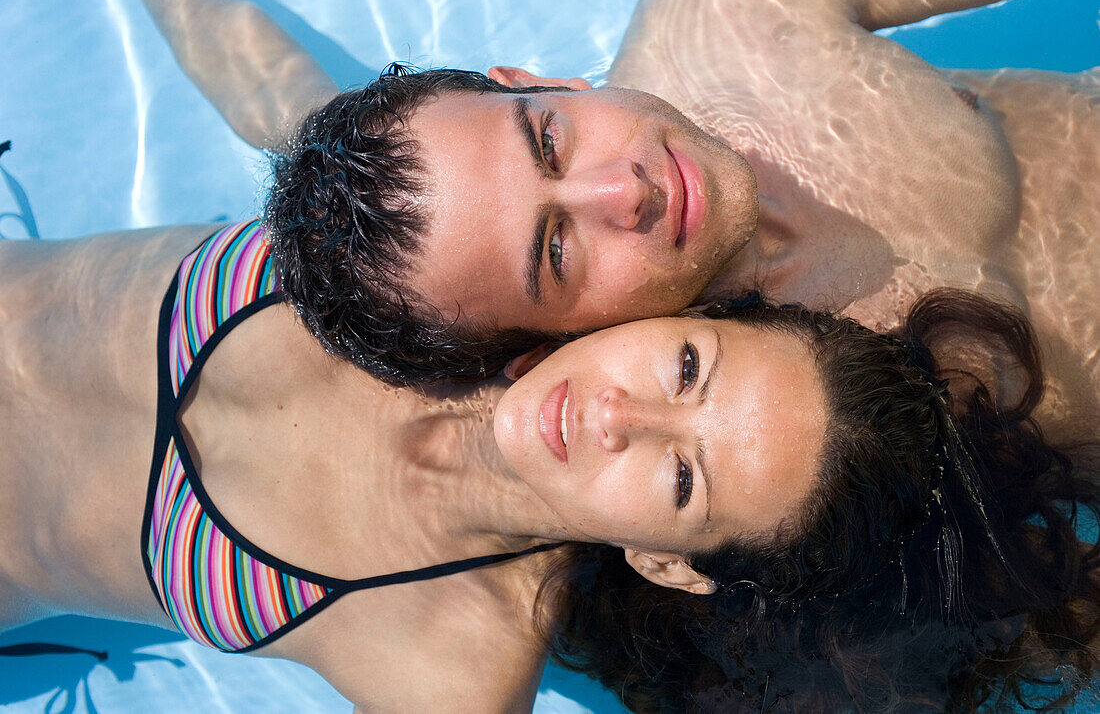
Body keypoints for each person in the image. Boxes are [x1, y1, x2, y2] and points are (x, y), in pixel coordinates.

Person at [0, 217, 1097, 711]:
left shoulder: (450, 668)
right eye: (682, 366)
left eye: (681, 481)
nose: (620, 417)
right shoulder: (472, 254)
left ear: (668, 564)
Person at [130, 0, 1099, 449]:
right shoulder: (758, 437)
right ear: (541, 354)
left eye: (547, 140)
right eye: (555, 251)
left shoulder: (732, 16)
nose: (621, 191)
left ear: (530, 80)